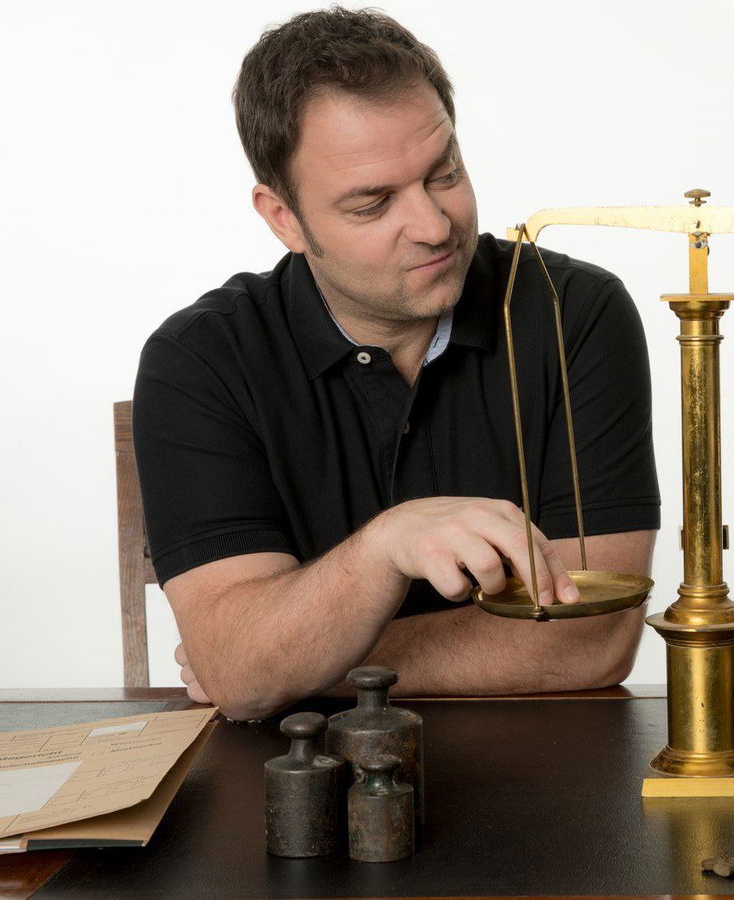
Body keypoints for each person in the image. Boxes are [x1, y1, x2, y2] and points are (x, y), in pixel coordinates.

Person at [132, 8, 660, 721]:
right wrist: (383, 549)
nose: (435, 226)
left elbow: (591, 639)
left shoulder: (577, 312)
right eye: (373, 203)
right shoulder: (198, 361)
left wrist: (292, 665)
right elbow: (240, 669)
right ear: (283, 217)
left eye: (444, 173)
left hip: (542, 788)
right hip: (287, 795)